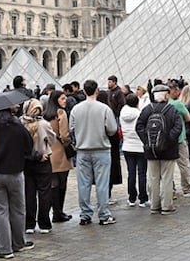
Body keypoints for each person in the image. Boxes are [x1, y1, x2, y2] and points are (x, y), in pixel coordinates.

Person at [0, 106, 35, 258]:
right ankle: (18, 243)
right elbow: (29, 148)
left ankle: (3, 249)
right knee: (18, 210)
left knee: (0, 210)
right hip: (14, 173)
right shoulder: (18, 128)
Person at [69, 80, 118, 226]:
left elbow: (71, 129)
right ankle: (103, 214)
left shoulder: (76, 109)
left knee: (83, 184)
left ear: (84, 91)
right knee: (102, 184)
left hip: (82, 151)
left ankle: (85, 215)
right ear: (97, 90)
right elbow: (112, 129)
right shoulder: (104, 109)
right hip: (101, 149)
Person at [136, 84, 183, 215]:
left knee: (153, 178)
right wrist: (168, 140)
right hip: (169, 150)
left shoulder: (147, 110)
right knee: (167, 178)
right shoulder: (172, 110)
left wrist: (147, 141)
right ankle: (167, 206)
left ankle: (154, 205)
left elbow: (138, 126)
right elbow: (178, 128)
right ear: (166, 95)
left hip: (151, 150)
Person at [21, 98, 56, 233]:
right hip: (43, 160)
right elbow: (52, 140)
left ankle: (29, 224)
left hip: (27, 162)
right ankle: (44, 223)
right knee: (44, 193)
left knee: (29, 194)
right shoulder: (44, 124)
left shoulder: (20, 123)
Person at [43, 90, 74, 223]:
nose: (65, 100)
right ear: (56, 100)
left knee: (53, 184)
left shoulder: (46, 114)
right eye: (62, 98)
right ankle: (58, 212)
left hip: (50, 151)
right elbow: (65, 135)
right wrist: (67, 144)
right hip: (61, 152)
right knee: (62, 184)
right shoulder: (61, 113)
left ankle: (53, 212)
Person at [119, 93, 148, 207]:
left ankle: (131, 198)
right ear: (137, 102)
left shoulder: (122, 113)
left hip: (127, 146)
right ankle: (143, 198)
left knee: (131, 173)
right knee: (142, 173)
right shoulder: (140, 114)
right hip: (140, 146)